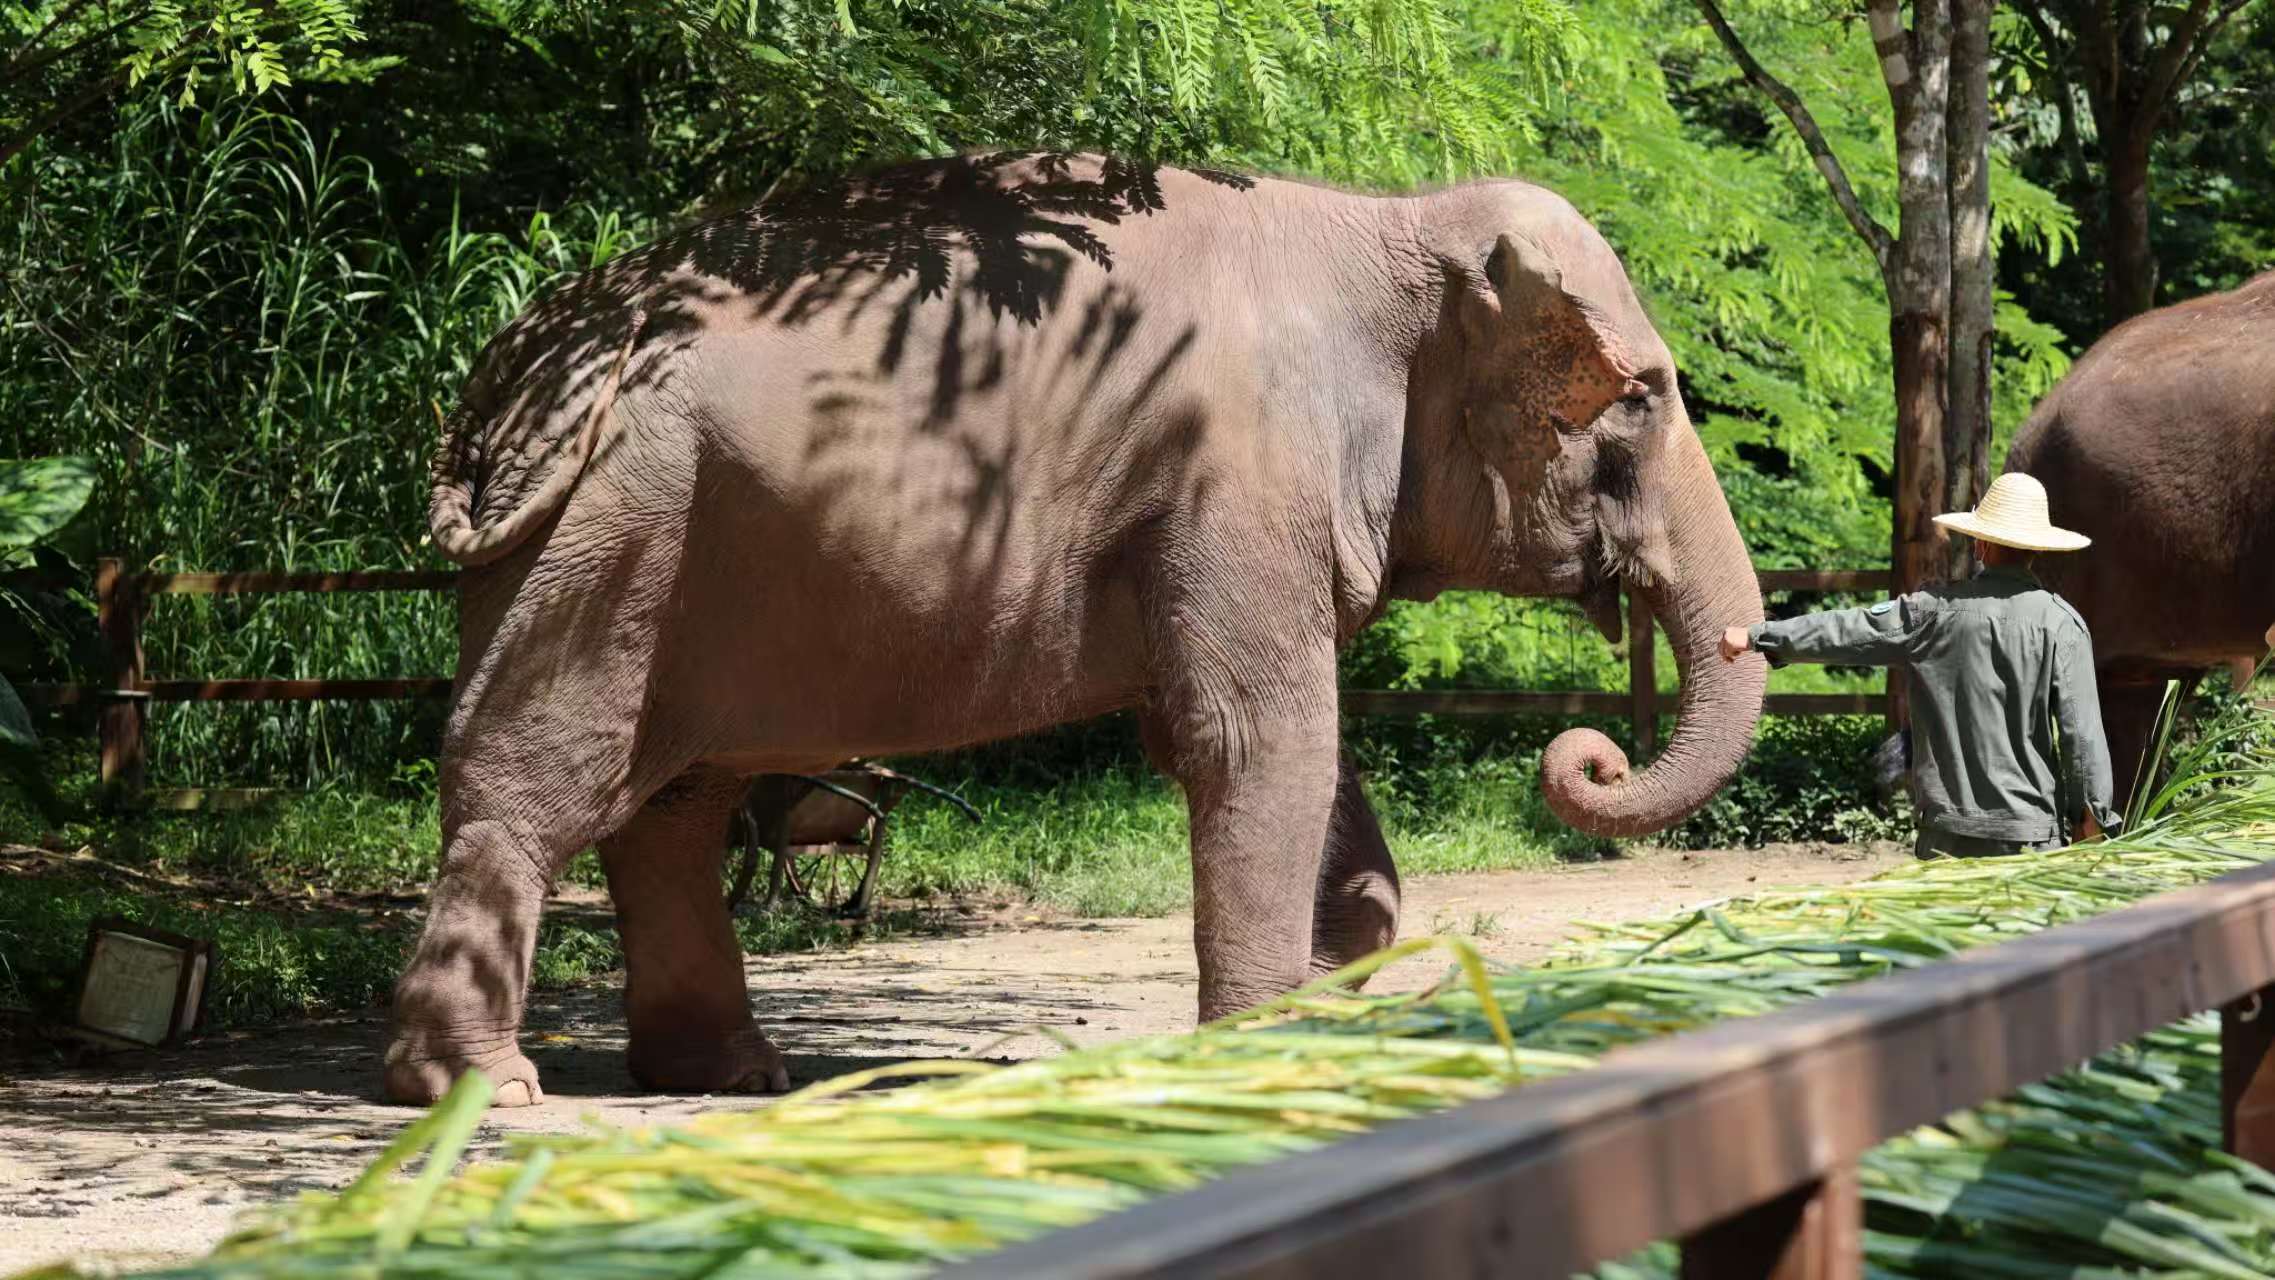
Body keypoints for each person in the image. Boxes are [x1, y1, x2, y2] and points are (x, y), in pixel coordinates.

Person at [1720, 473, 2121, 858]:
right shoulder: (2062, 624)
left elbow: (1849, 630)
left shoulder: (1932, 613)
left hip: (1947, 836)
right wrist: (2092, 817)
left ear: (1981, 543)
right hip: (2030, 837)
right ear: (2038, 549)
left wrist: (1759, 635)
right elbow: (2081, 739)